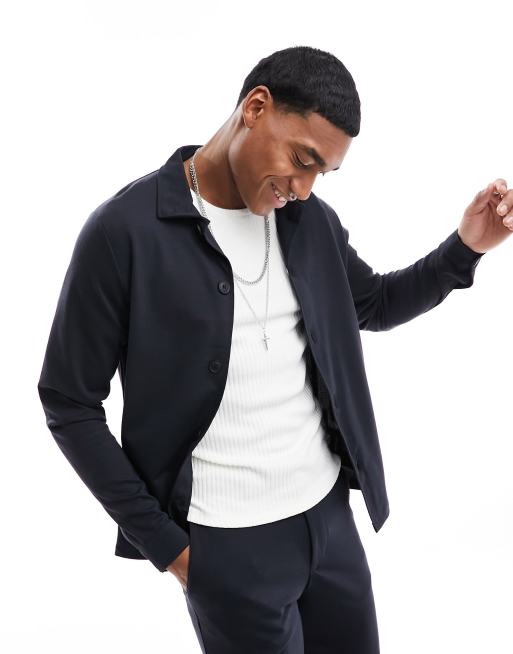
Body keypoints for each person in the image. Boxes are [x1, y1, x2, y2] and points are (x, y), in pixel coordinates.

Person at [37, 45, 512, 654]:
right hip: (226, 546)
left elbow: (372, 304)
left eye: (322, 173)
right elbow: (69, 401)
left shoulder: (308, 223)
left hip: (329, 521)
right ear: (256, 108)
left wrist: (466, 247)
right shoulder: (124, 233)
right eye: (302, 159)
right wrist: (167, 546)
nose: (305, 188)